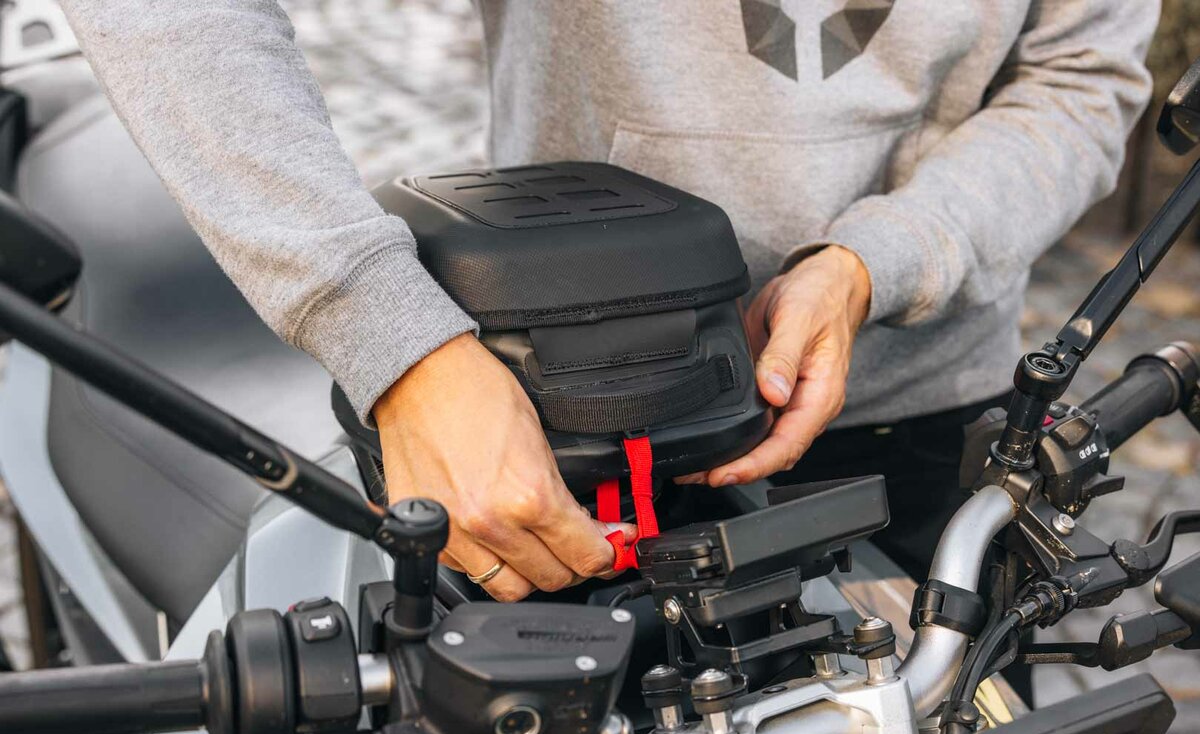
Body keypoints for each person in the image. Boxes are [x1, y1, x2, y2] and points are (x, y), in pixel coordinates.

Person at [59, 2, 1157, 605]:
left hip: (923, 419)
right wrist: (395, 342)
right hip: (556, 431)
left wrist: (876, 261)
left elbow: (1083, 75)